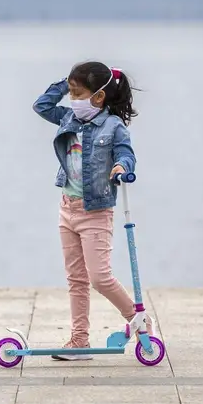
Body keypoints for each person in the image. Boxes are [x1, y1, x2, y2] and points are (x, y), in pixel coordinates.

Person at [32, 62, 150, 360]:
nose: (72, 99)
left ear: (98, 97)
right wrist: (65, 82)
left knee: (100, 278)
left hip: (95, 212)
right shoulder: (68, 117)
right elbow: (41, 105)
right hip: (67, 209)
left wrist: (122, 166)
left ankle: (139, 322)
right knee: (76, 279)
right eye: (70, 93)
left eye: (77, 92)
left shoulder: (113, 126)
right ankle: (79, 341)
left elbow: (125, 153)